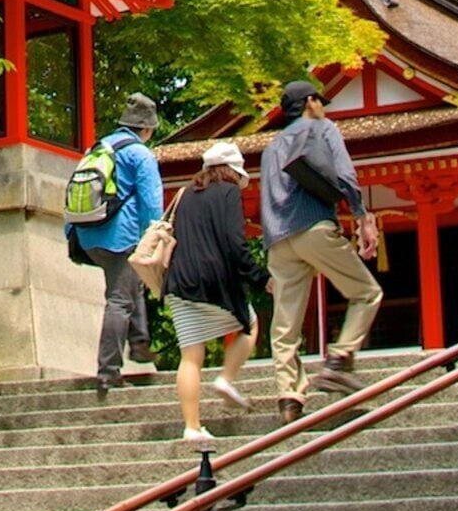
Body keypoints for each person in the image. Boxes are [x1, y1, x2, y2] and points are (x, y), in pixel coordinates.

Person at [258, 77, 383, 416]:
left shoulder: (270, 148)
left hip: (277, 240)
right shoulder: (321, 128)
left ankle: (289, 397)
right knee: (366, 292)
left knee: (285, 325)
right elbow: (344, 175)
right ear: (311, 102)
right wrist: (362, 217)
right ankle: (340, 359)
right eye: (321, 101)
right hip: (312, 225)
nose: (324, 107)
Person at [160, 139, 262, 444]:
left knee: (191, 355)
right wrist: (258, 276)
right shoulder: (228, 192)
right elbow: (234, 241)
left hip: (179, 281)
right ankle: (226, 378)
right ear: (231, 171)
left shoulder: (185, 194)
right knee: (251, 325)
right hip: (213, 280)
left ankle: (192, 427)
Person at [73, 92, 167, 390]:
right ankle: (108, 371)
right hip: (119, 236)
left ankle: (139, 343)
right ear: (148, 128)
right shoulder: (140, 154)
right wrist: (154, 238)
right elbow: (152, 204)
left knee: (127, 283)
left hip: (87, 235)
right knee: (119, 299)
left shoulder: (97, 148)